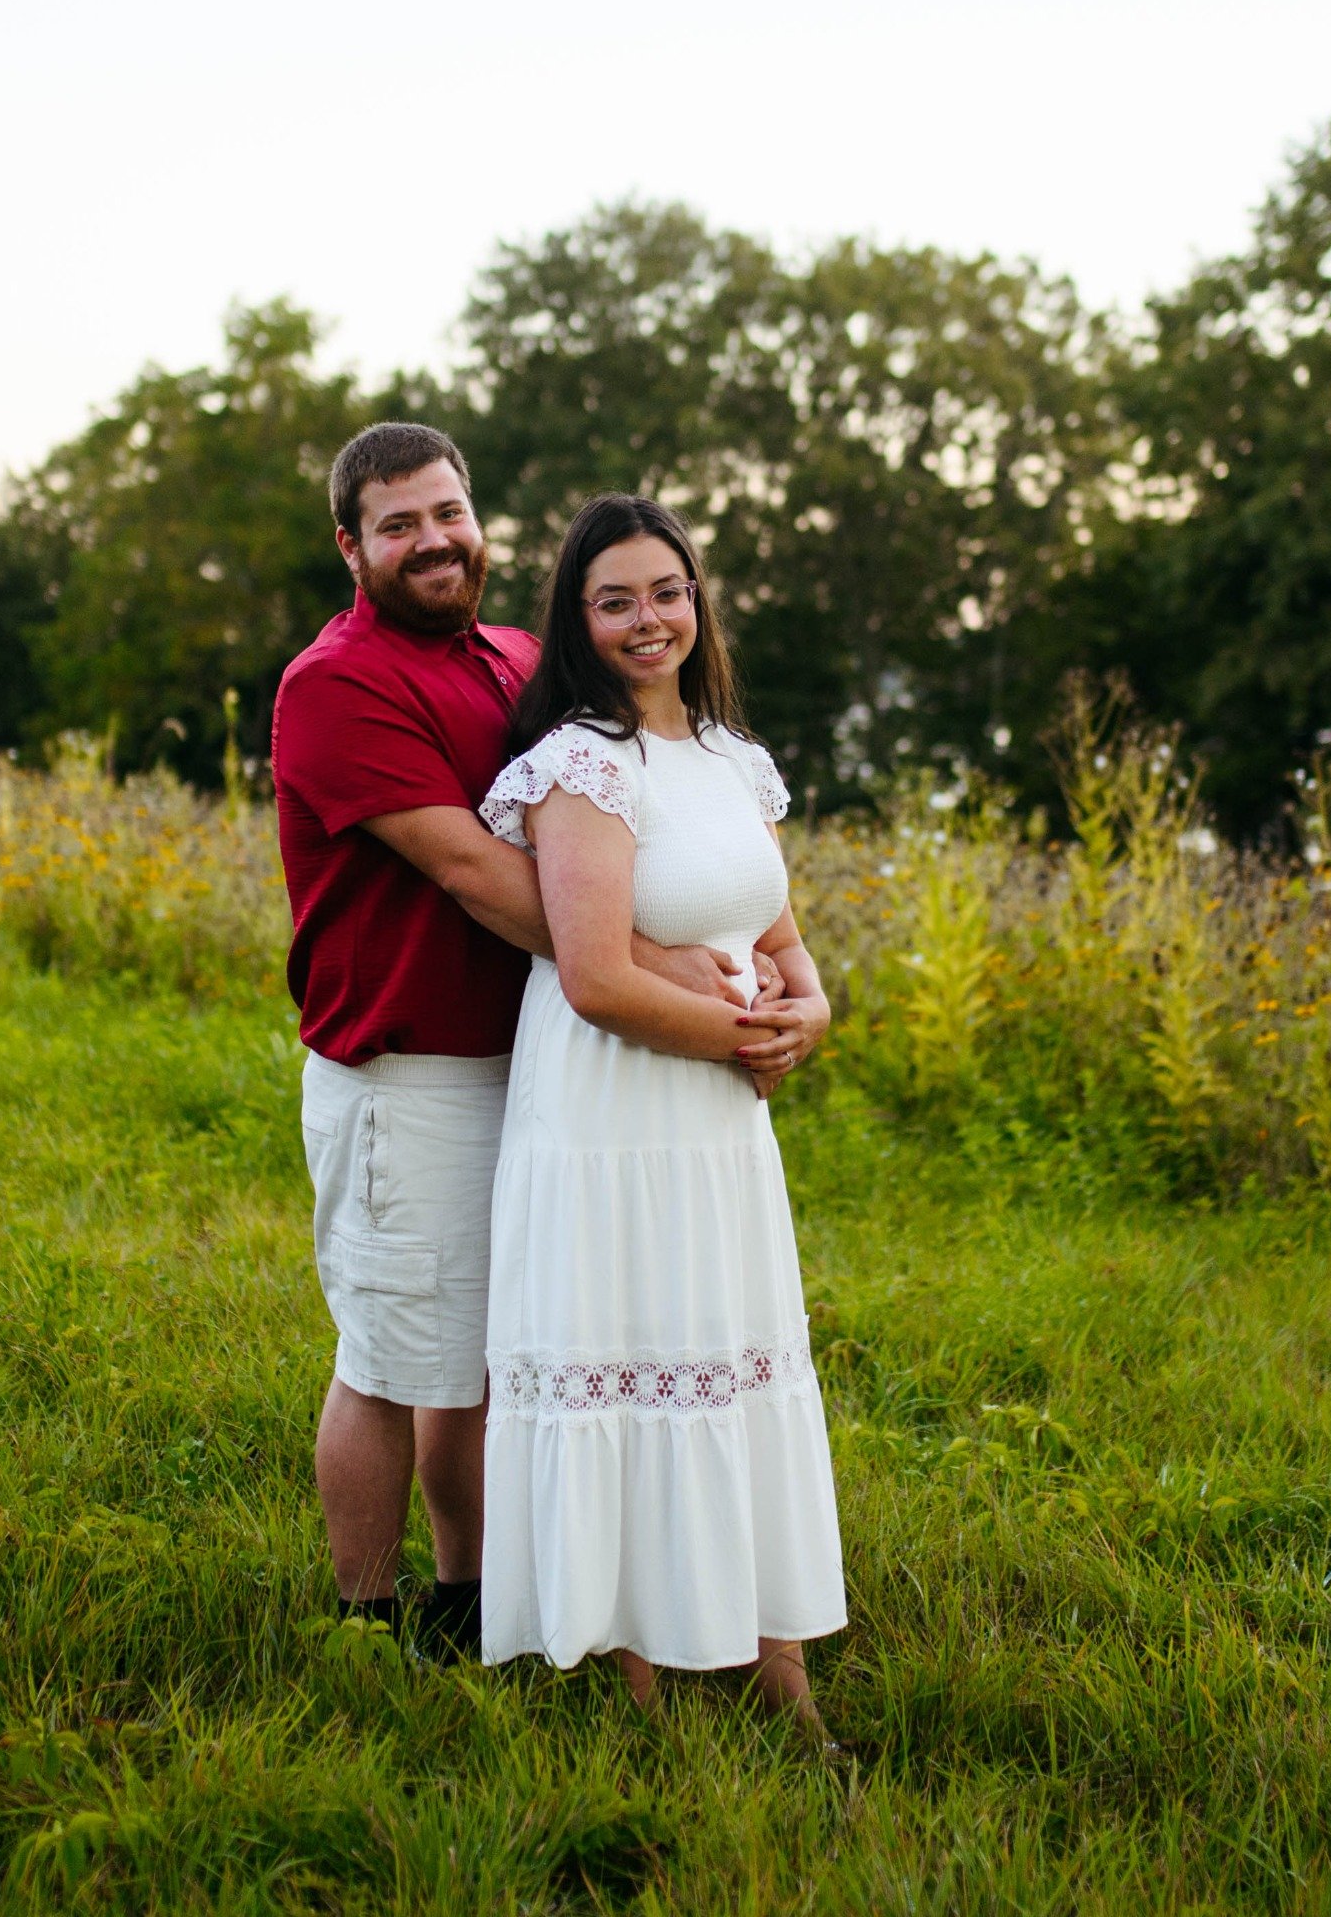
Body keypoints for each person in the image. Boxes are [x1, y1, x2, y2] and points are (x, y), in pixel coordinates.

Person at [271, 425, 794, 1659]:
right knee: (400, 1356)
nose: (433, 539)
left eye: (447, 511)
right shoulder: (335, 682)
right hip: (411, 1065)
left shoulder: (511, 659)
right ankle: (364, 1617)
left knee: (500, 1351)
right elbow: (469, 868)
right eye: (397, 523)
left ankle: (470, 1598)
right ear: (351, 545)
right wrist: (655, 963)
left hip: (544, 1068)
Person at [478, 491, 846, 1734]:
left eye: (668, 591)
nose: (650, 619)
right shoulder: (582, 763)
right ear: (580, 622)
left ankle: (775, 1665)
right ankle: (635, 1681)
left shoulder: (732, 760)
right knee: (628, 1351)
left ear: (699, 601)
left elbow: (775, 929)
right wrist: (750, 1036)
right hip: (612, 1118)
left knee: (729, 1355)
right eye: (617, 599)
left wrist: (812, 1012)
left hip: (720, 1128)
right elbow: (596, 978)